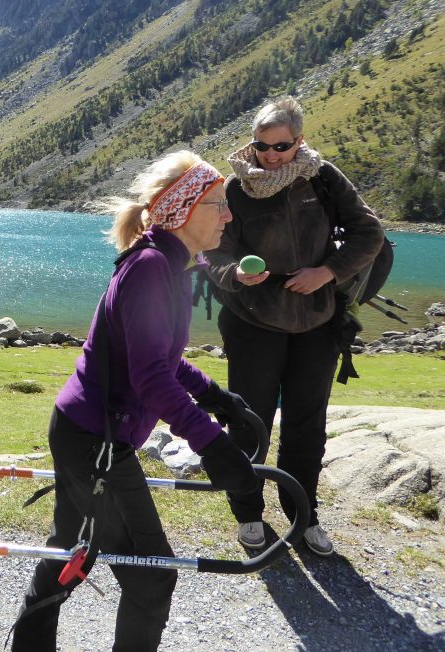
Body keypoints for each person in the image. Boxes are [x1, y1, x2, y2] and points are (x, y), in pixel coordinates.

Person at [11, 151, 258, 651]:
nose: (228, 215)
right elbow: (150, 378)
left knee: (71, 551)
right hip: (96, 440)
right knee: (147, 575)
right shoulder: (150, 269)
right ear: (185, 210)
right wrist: (213, 443)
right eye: (219, 204)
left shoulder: (168, 265)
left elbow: (160, 359)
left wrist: (217, 397)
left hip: (89, 431)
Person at [205, 97, 384, 556]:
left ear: (299, 140)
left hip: (319, 322)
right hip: (252, 321)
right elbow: (213, 251)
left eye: (281, 146)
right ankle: (248, 515)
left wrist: (327, 272)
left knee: (308, 425)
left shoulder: (322, 178)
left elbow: (368, 232)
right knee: (249, 420)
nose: (271, 155)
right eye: (262, 146)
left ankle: (304, 516)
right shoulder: (235, 189)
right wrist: (237, 276)